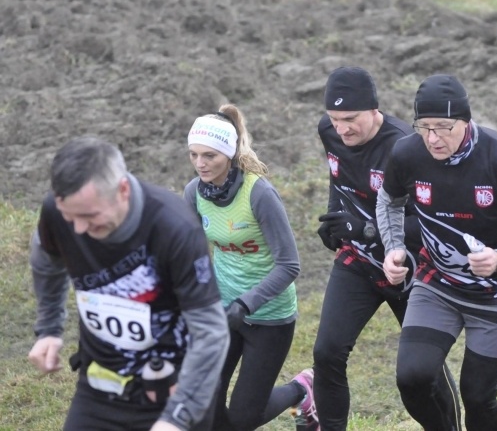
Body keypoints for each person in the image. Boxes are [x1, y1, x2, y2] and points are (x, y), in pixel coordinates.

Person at [378, 73, 497, 431]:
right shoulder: (407, 153)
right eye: (424, 127)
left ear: (466, 120)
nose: (433, 138)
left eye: (444, 127)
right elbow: (389, 202)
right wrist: (394, 247)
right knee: (412, 378)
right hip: (437, 285)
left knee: (478, 397)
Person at [27, 136, 229, 431]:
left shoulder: (174, 227)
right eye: (71, 218)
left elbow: (211, 333)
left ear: (122, 190)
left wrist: (176, 418)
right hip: (99, 390)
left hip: (173, 391)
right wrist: (49, 329)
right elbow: (46, 260)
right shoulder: (58, 212)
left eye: (89, 216)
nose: (79, 229)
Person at [313, 66, 461, 431]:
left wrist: (364, 228)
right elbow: (339, 178)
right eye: (334, 119)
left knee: (420, 373)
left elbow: (433, 223)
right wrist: (336, 219)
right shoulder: (329, 132)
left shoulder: (405, 148)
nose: (342, 129)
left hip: (411, 267)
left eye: (350, 119)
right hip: (358, 263)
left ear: (374, 110)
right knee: (326, 353)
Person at [184, 105, 316, 431]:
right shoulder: (193, 194)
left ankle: (303, 390)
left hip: (269, 318)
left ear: (228, 154)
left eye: (210, 156)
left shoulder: (259, 194)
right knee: (204, 404)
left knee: (241, 420)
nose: (200, 163)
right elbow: (190, 257)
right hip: (222, 313)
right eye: (194, 155)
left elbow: (289, 265)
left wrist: (246, 304)